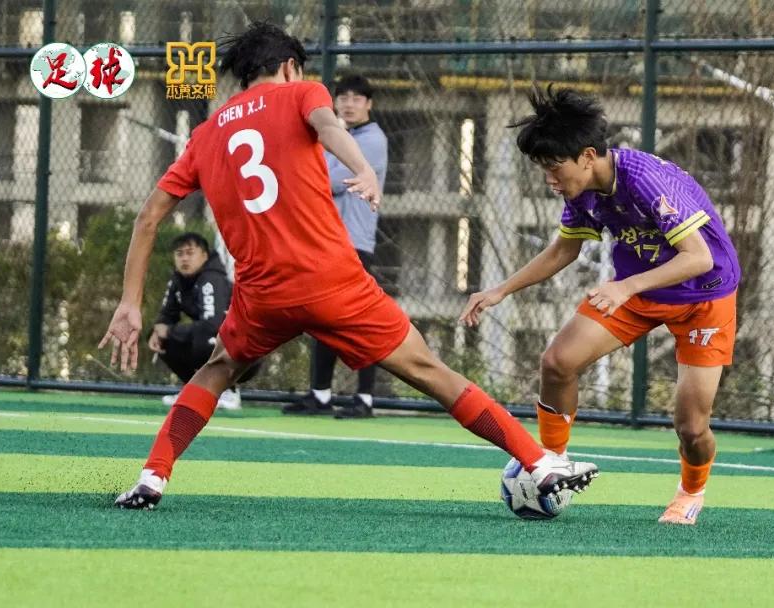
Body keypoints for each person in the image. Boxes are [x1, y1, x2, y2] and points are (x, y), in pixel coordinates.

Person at [100, 22, 598, 510]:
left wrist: (129, 303)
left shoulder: (206, 134)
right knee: (429, 371)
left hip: (262, 295)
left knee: (217, 370)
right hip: (332, 282)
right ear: (289, 67)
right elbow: (327, 125)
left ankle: (152, 477)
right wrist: (363, 168)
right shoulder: (303, 93)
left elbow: (148, 218)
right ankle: (540, 463)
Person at [461, 86, 740, 525]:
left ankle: (691, 491)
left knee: (691, 427)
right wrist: (501, 290)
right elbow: (563, 250)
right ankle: (552, 462)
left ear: (588, 156)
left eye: (554, 166)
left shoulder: (646, 180)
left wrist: (626, 288)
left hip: (704, 295)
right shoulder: (581, 193)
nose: (550, 179)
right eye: (543, 168)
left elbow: (698, 258)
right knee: (557, 362)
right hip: (638, 290)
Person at [284, 74, 387, 418]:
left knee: (362, 320)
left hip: (355, 244)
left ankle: (365, 399)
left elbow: (329, 180)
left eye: (357, 98)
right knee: (322, 318)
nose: (349, 104)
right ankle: (321, 394)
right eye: (343, 98)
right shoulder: (340, 139)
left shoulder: (372, 140)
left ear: (369, 104)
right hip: (328, 241)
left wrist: (301, 173)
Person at [151, 232, 258, 411]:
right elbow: (167, 314)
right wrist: (160, 328)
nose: (184, 259)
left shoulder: (212, 279)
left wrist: (169, 331)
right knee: (160, 338)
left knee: (205, 337)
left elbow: (212, 325)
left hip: (246, 352)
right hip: (217, 341)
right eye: (179, 254)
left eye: (190, 253)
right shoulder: (177, 280)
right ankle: (194, 391)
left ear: (204, 255)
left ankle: (228, 391)